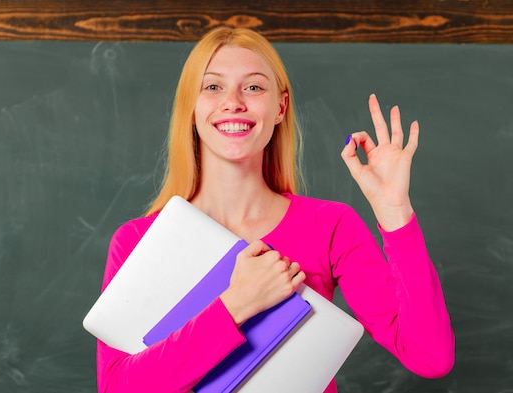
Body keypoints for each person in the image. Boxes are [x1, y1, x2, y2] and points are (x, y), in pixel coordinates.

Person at [96, 26, 455, 393]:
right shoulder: (139, 241)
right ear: (191, 107)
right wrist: (234, 305)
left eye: (253, 87)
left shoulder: (330, 227)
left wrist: (395, 213)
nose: (233, 101)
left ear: (280, 107)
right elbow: (117, 387)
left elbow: (430, 357)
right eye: (213, 86)